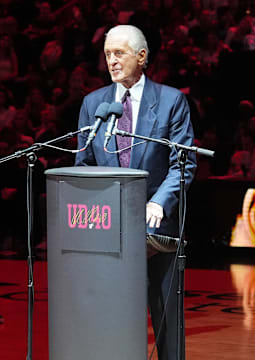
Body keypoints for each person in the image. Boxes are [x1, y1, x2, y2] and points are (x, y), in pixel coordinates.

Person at [74, 25, 197, 360]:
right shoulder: (93, 103)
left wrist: (160, 200)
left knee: (167, 321)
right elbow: (83, 165)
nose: (111, 62)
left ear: (142, 57)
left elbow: (183, 164)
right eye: (107, 55)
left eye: (119, 54)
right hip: (108, 230)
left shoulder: (171, 101)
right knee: (112, 320)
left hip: (159, 231)